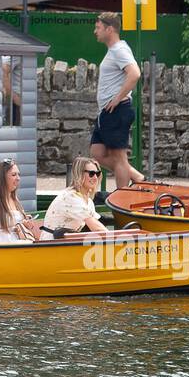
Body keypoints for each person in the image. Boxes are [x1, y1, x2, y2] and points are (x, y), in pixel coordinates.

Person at [90, 12, 145, 188]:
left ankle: (122, 197)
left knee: (119, 157)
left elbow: (135, 73)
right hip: (106, 113)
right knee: (96, 152)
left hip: (117, 110)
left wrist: (117, 98)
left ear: (110, 29)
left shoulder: (119, 50)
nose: (95, 31)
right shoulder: (113, 51)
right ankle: (137, 177)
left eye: (98, 28)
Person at [0, 158, 42, 243]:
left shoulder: (14, 198)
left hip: (16, 245)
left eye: (19, 174)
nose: (18, 178)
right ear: (2, 177)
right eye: (13, 175)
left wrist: (25, 223)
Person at [42, 155, 110, 236]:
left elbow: (96, 225)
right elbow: (97, 228)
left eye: (97, 174)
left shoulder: (88, 201)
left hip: (65, 241)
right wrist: (116, 238)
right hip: (52, 243)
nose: (95, 177)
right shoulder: (70, 197)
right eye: (91, 173)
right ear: (79, 174)